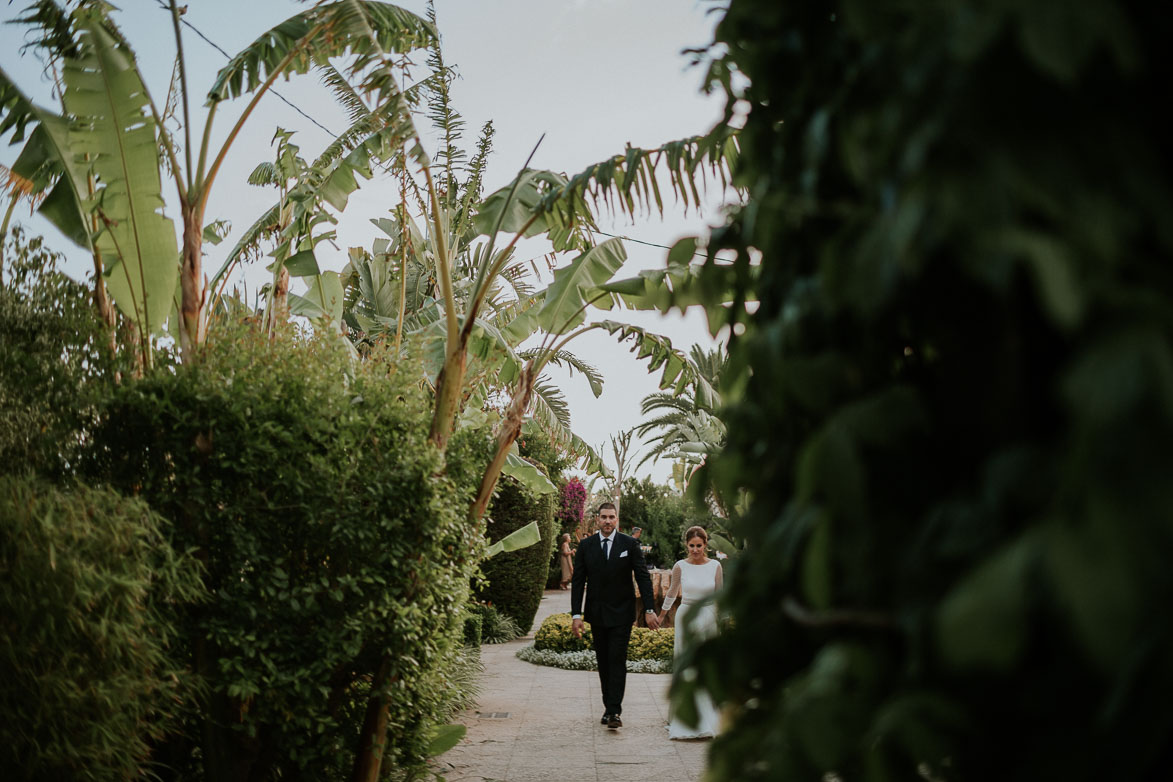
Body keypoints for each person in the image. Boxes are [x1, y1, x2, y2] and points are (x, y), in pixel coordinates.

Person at [571, 502, 659, 729]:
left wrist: (649, 610)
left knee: (617, 659)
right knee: (603, 661)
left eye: (611, 517)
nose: (608, 521)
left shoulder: (629, 544)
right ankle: (608, 707)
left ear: (617, 519)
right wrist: (576, 615)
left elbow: (642, 577)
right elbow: (578, 582)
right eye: (604, 517)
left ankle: (614, 712)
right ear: (597, 519)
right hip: (597, 613)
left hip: (622, 613)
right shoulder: (586, 546)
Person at [658, 525, 723, 740]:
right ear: (686, 545)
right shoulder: (680, 566)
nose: (695, 549)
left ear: (706, 545)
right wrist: (661, 615)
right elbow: (672, 592)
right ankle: (684, 717)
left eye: (699, 545)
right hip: (686, 617)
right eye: (692, 546)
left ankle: (708, 718)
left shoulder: (715, 566)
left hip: (708, 617)